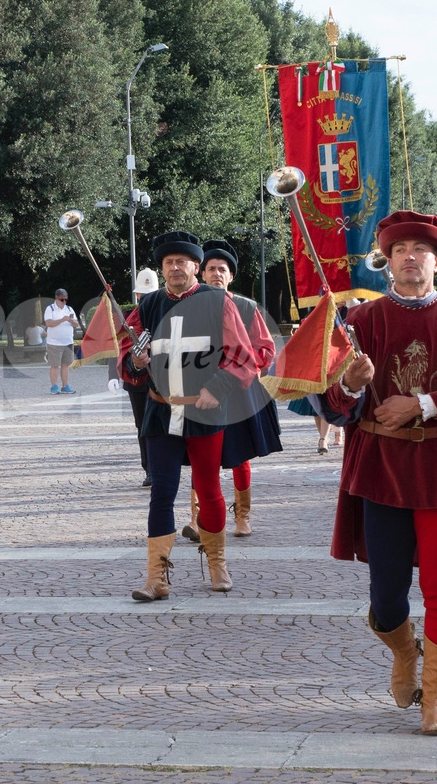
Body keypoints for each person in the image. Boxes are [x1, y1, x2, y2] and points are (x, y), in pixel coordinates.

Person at [313, 211, 437, 736]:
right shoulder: (358, 321)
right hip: (380, 468)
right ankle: (406, 652)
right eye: (400, 249)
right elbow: (327, 404)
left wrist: (424, 404)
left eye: (420, 250)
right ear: (387, 260)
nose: (410, 257)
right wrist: (352, 385)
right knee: (386, 597)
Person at [119, 231, 257, 599]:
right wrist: (135, 361)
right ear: (162, 269)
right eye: (169, 263)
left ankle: (217, 562)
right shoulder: (148, 306)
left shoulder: (217, 302)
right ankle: (156, 577)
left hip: (204, 412)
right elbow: (128, 351)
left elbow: (242, 355)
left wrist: (218, 387)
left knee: (208, 489)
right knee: (161, 492)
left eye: (182, 262)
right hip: (161, 411)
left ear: (196, 266)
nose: (175, 268)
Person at [180, 240, 282, 540]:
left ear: (231, 275)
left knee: (239, 455)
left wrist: (238, 370)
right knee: (200, 456)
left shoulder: (247, 307)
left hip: (239, 392)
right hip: (201, 393)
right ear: (201, 273)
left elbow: (265, 349)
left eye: (222, 269)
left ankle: (242, 517)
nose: (216, 273)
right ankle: (197, 519)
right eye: (211, 268)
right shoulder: (191, 305)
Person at [125, 269, 158, 487]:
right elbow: (122, 351)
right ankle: (149, 469)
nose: (145, 299)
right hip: (137, 382)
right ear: (137, 296)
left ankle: (161, 466)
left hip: (161, 378)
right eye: (142, 295)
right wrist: (135, 363)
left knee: (160, 424)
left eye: (149, 295)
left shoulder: (164, 313)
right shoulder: (130, 319)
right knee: (143, 425)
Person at [44, 288, 80, 394]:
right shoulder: (50, 309)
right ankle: (54, 386)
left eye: (66, 299)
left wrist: (72, 321)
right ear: (56, 298)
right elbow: (48, 323)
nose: (64, 301)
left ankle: (65, 386)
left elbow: (76, 324)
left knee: (65, 365)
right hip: (54, 343)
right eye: (62, 299)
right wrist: (62, 320)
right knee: (55, 365)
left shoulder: (69, 309)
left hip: (68, 342)